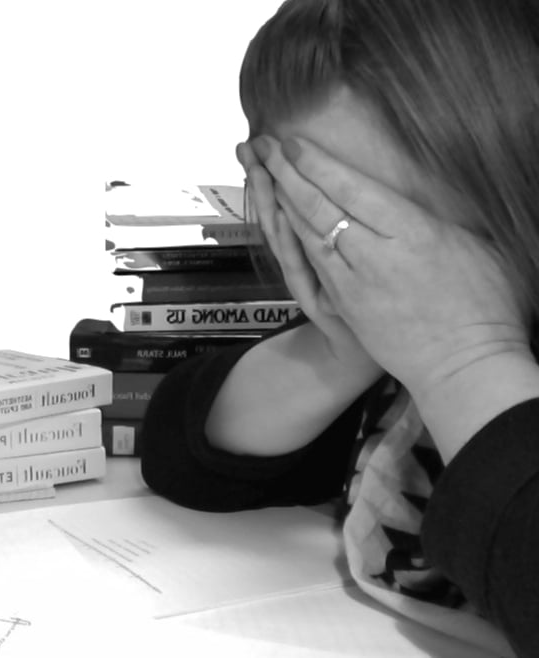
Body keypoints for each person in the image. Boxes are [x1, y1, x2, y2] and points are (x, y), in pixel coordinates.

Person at [139, 1, 539, 657]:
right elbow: (185, 449)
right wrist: (341, 345)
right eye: (318, 215)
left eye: (382, 220)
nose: (360, 258)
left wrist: (468, 361)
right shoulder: (391, 350)